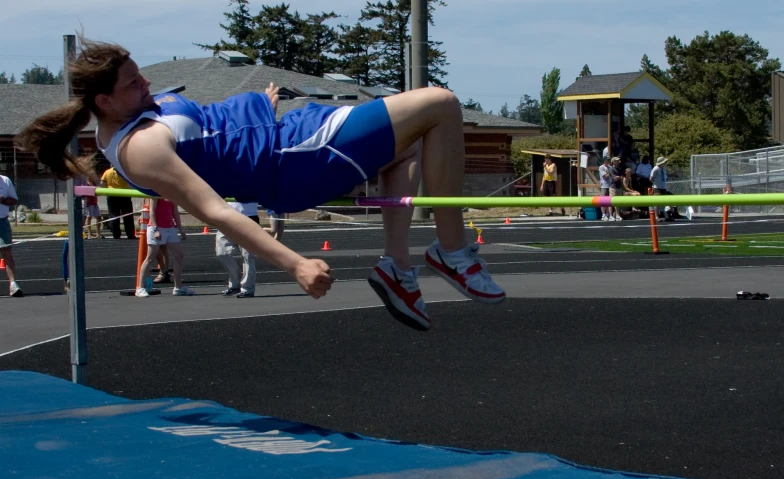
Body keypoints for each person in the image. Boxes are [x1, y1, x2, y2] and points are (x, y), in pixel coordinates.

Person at [14, 35, 505, 331]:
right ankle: (453, 252)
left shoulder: (129, 114)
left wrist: (257, 107)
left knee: (416, 142)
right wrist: (294, 265)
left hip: (288, 135)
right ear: (103, 101)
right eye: (134, 84)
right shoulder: (140, 149)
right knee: (440, 102)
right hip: (293, 157)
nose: (146, 86)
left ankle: (398, 267)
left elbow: (213, 138)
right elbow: (217, 211)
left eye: (142, 77)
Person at [136, 197, 193, 297]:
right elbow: (152, 211)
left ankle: (178, 287)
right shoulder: (156, 193)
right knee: (150, 257)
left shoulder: (172, 192)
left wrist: (180, 229)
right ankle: (140, 288)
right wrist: (155, 229)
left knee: (179, 255)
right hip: (157, 228)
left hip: (170, 228)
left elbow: (175, 211)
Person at [217, 201, 261, 298]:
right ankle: (235, 283)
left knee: (247, 256)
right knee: (222, 253)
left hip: (248, 218)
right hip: (227, 219)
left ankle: (247, 288)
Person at [0, 174, 23, 296]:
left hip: (2, 221)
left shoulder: (5, 180)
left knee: (7, 252)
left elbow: (14, 200)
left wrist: (3, 200)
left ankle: (13, 284)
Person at [101, 166, 137, 239]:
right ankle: (130, 234)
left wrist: (107, 189)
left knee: (114, 216)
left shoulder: (107, 172)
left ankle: (116, 234)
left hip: (112, 195)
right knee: (128, 215)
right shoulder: (125, 171)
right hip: (124, 194)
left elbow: (102, 182)